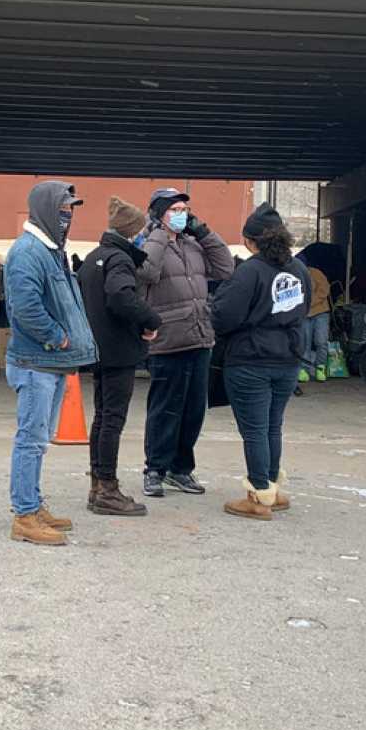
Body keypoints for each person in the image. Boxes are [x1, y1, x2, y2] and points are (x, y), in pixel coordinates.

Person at [2, 180, 98, 547]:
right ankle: (25, 515)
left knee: (39, 441)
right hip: (36, 361)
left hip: (50, 363)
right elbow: (24, 307)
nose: (68, 218)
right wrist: (57, 336)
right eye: (63, 211)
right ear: (44, 210)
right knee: (31, 440)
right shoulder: (28, 252)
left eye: (70, 211)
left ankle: (33, 505)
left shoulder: (50, 249)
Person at [210, 204, 311, 520]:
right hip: (289, 356)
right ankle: (272, 488)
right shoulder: (298, 270)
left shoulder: (250, 271)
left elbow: (225, 315)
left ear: (251, 241)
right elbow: (304, 307)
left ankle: (258, 495)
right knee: (272, 426)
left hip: (251, 357)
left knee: (254, 429)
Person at [135, 187, 235, 498]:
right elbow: (146, 272)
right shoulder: (148, 243)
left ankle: (181, 468)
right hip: (168, 339)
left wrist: (204, 231)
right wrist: (159, 235)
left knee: (194, 410)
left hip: (200, 336)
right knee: (165, 408)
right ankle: (155, 468)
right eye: (174, 210)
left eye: (184, 210)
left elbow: (225, 268)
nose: (181, 215)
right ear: (158, 213)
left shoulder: (194, 244)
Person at [77, 196, 163, 517]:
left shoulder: (92, 257)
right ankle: (108, 490)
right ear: (133, 232)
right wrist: (150, 320)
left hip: (98, 349)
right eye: (141, 231)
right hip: (119, 350)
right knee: (113, 419)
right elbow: (120, 296)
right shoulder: (120, 259)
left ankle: (97, 485)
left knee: (101, 418)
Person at [302, 266, 333, 384]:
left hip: (320, 312)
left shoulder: (315, 272)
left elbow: (324, 289)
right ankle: (303, 370)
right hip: (304, 314)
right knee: (305, 343)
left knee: (321, 341)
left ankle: (320, 368)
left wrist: (309, 303)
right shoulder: (292, 274)